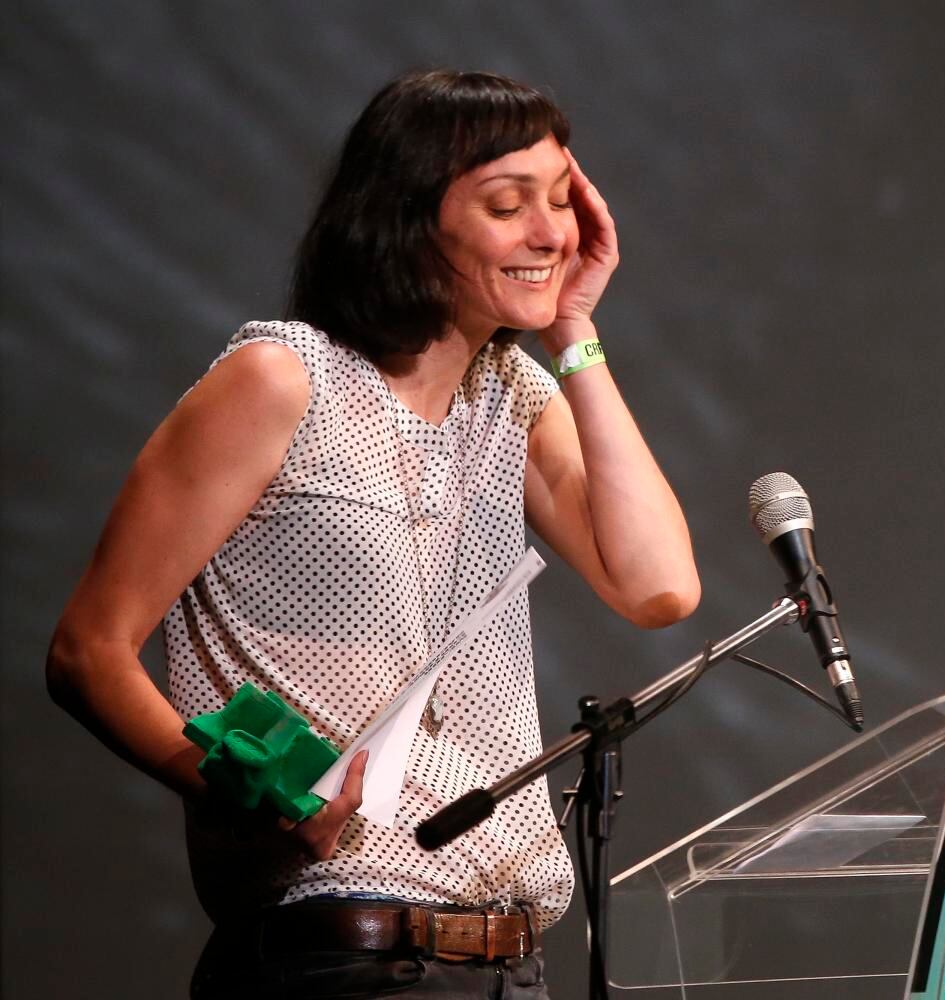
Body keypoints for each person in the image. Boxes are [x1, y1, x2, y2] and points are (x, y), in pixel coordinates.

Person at [46, 69, 700, 998]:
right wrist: (244, 794)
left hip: (507, 966)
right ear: (408, 218)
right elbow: (88, 650)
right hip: (343, 953)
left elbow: (658, 588)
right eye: (507, 205)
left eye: (561, 200)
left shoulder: (512, 398)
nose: (553, 233)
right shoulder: (282, 378)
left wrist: (577, 334)